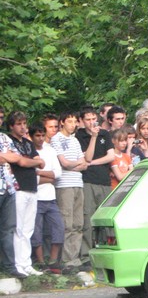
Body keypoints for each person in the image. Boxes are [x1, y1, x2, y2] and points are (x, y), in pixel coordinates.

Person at [7, 111, 46, 276]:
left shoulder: (28, 143)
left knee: (28, 228)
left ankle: (26, 263)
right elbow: (21, 162)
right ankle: (18, 264)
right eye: (19, 124)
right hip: (19, 188)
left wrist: (30, 161)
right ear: (11, 126)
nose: (23, 127)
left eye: (24, 124)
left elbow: (41, 163)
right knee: (19, 228)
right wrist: (31, 162)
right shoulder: (9, 141)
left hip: (32, 187)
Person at [50, 112, 88, 272]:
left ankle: (74, 258)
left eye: (74, 121)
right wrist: (76, 164)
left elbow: (84, 163)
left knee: (78, 223)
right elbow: (64, 163)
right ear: (62, 122)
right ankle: (66, 259)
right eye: (69, 121)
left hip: (78, 183)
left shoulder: (75, 140)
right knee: (67, 223)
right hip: (64, 185)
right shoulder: (56, 139)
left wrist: (75, 164)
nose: (73, 124)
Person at [75, 107, 115, 259]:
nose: (91, 122)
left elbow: (110, 156)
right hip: (88, 180)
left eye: (93, 119)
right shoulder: (79, 136)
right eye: (88, 119)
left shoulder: (105, 134)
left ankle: (105, 251)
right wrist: (93, 137)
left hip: (104, 180)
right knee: (88, 217)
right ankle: (86, 254)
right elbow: (87, 157)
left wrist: (91, 163)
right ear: (81, 121)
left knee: (105, 218)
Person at [29, 123, 64, 273]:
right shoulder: (28, 151)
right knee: (36, 231)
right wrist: (48, 176)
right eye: (37, 135)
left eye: (43, 135)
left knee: (58, 227)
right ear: (31, 136)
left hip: (50, 197)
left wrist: (39, 173)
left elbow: (58, 173)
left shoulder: (50, 150)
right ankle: (41, 261)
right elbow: (31, 178)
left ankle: (53, 260)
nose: (41, 138)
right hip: (35, 197)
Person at [0, 130, 23, 278]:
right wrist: (6, 155)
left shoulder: (4, 137)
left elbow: (16, 157)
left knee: (8, 229)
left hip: (8, 188)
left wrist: (4, 157)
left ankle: (9, 266)